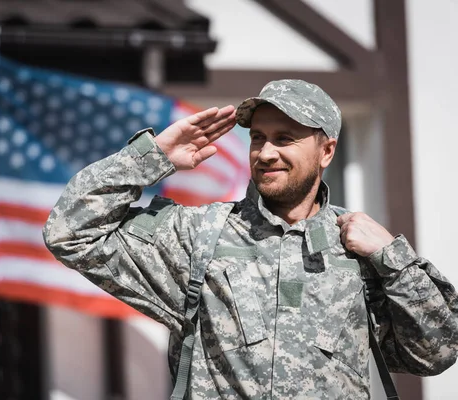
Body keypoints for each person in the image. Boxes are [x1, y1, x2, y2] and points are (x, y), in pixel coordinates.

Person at [42, 79, 458, 399]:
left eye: (285, 138)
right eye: (257, 137)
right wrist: (152, 158)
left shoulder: (362, 250)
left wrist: (393, 258)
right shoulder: (199, 235)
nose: (265, 152)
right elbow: (69, 232)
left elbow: (434, 354)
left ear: (327, 152)